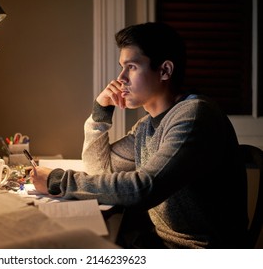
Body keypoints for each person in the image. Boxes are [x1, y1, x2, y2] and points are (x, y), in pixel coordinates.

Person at [31, 22, 248, 248]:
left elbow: (144, 188)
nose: (120, 79)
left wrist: (58, 181)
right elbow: (99, 170)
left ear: (164, 71)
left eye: (131, 67)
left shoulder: (194, 116)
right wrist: (101, 111)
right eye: (121, 67)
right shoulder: (145, 127)